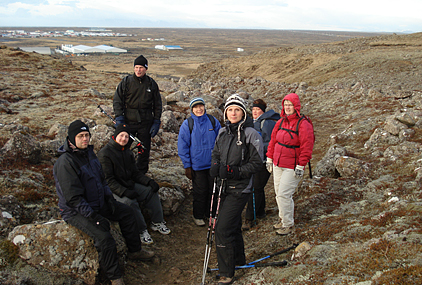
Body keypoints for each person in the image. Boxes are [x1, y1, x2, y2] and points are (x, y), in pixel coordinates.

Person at [53, 120, 154, 285]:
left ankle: (135, 251)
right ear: (71, 138)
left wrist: (109, 199)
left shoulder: (90, 154)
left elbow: (102, 181)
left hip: (98, 202)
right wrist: (94, 217)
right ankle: (115, 277)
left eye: (87, 135)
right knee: (104, 237)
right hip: (76, 211)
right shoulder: (66, 162)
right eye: (81, 136)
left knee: (127, 213)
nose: (85, 139)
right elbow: (73, 198)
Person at [210, 94, 264, 284]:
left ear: (243, 112)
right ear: (226, 113)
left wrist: (234, 171)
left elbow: (257, 164)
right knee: (232, 226)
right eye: (230, 110)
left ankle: (227, 273)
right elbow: (215, 153)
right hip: (223, 187)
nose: (233, 113)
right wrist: (215, 166)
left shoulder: (251, 134)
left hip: (240, 188)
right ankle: (239, 261)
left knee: (222, 228)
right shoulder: (223, 133)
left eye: (237, 110)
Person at [97, 124, 171, 245]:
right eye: (121, 135)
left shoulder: (127, 151)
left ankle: (157, 222)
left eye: (126, 136)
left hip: (128, 184)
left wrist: (149, 181)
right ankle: (141, 230)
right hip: (113, 191)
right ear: (115, 136)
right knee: (129, 202)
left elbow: (135, 173)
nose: (124, 139)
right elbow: (108, 181)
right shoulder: (105, 154)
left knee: (150, 191)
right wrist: (124, 192)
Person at [266, 93, 314, 236]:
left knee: (284, 195)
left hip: (292, 166)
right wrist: (269, 158)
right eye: (285, 104)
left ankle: (288, 224)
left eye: (290, 104)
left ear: (296, 106)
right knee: (278, 194)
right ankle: (282, 219)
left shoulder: (303, 124)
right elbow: (273, 141)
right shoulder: (280, 122)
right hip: (278, 163)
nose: (287, 107)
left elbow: (307, 146)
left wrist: (301, 165)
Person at [113, 55, 162, 174]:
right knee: (122, 147)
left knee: (144, 150)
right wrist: (119, 118)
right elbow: (117, 100)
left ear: (146, 69)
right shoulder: (126, 82)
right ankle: (121, 171)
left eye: (141, 67)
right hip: (128, 122)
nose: (138, 70)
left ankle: (141, 174)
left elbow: (157, 104)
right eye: (136, 67)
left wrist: (156, 121)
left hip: (145, 123)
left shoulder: (151, 84)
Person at [177, 97, 221, 226]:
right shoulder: (187, 124)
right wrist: (187, 166)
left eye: (200, 106)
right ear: (192, 109)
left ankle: (210, 214)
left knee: (213, 190)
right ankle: (198, 215)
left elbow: (221, 141)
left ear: (204, 107)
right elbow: (182, 146)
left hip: (213, 164)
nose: (199, 109)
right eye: (195, 107)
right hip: (197, 166)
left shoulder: (213, 121)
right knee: (200, 191)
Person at [242, 99, 280, 231]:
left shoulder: (267, 123)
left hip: (264, 161)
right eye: (253, 110)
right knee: (258, 187)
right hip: (257, 160)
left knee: (254, 188)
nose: (255, 112)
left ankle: (249, 219)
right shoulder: (255, 122)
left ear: (262, 111)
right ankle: (261, 212)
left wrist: (255, 147)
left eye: (257, 110)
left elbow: (271, 143)